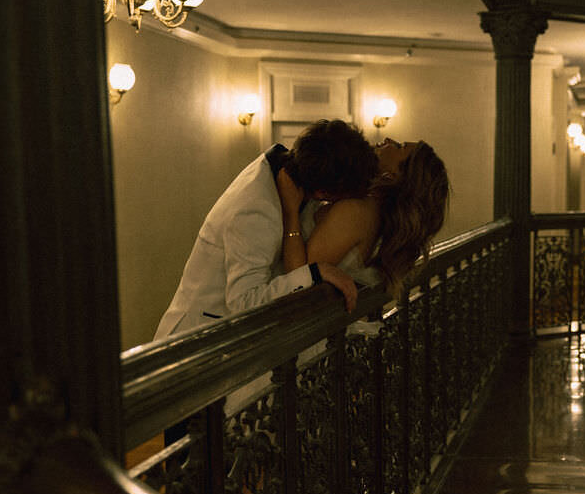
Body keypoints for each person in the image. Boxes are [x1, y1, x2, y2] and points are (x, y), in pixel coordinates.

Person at [153, 119, 378, 341]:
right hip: (198, 343)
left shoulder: (283, 168)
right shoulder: (255, 209)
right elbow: (244, 303)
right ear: (322, 193)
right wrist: (316, 272)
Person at [278, 137, 449, 295]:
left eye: (398, 146)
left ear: (394, 175)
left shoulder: (357, 212)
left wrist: (290, 212)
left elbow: (299, 281)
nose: (388, 139)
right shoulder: (371, 210)